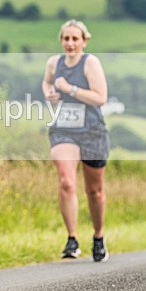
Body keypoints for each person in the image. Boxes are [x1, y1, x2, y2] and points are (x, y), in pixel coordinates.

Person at [42, 20, 109, 262]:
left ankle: (98, 236)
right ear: (61, 40)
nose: (70, 43)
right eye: (66, 39)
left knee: (95, 191)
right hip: (64, 128)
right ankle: (72, 239)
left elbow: (100, 98)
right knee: (67, 181)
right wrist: (49, 93)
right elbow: (47, 82)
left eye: (74, 39)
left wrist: (70, 89)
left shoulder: (90, 63)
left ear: (84, 40)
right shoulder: (53, 63)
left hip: (92, 129)